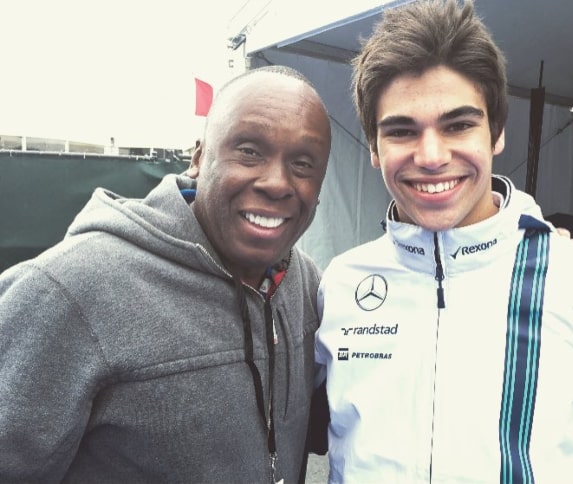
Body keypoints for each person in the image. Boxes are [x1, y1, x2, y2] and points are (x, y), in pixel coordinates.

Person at [314, 1, 573, 482]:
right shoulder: (341, 283)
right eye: (402, 130)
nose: (431, 156)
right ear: (373, 147)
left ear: (496, 133)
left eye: (458, 125)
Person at [0, 65, 331, 482]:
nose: (277, 182)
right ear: (198, 157)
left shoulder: (306, 285)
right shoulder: (64, 292)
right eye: (249, 151)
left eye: (303, 163)